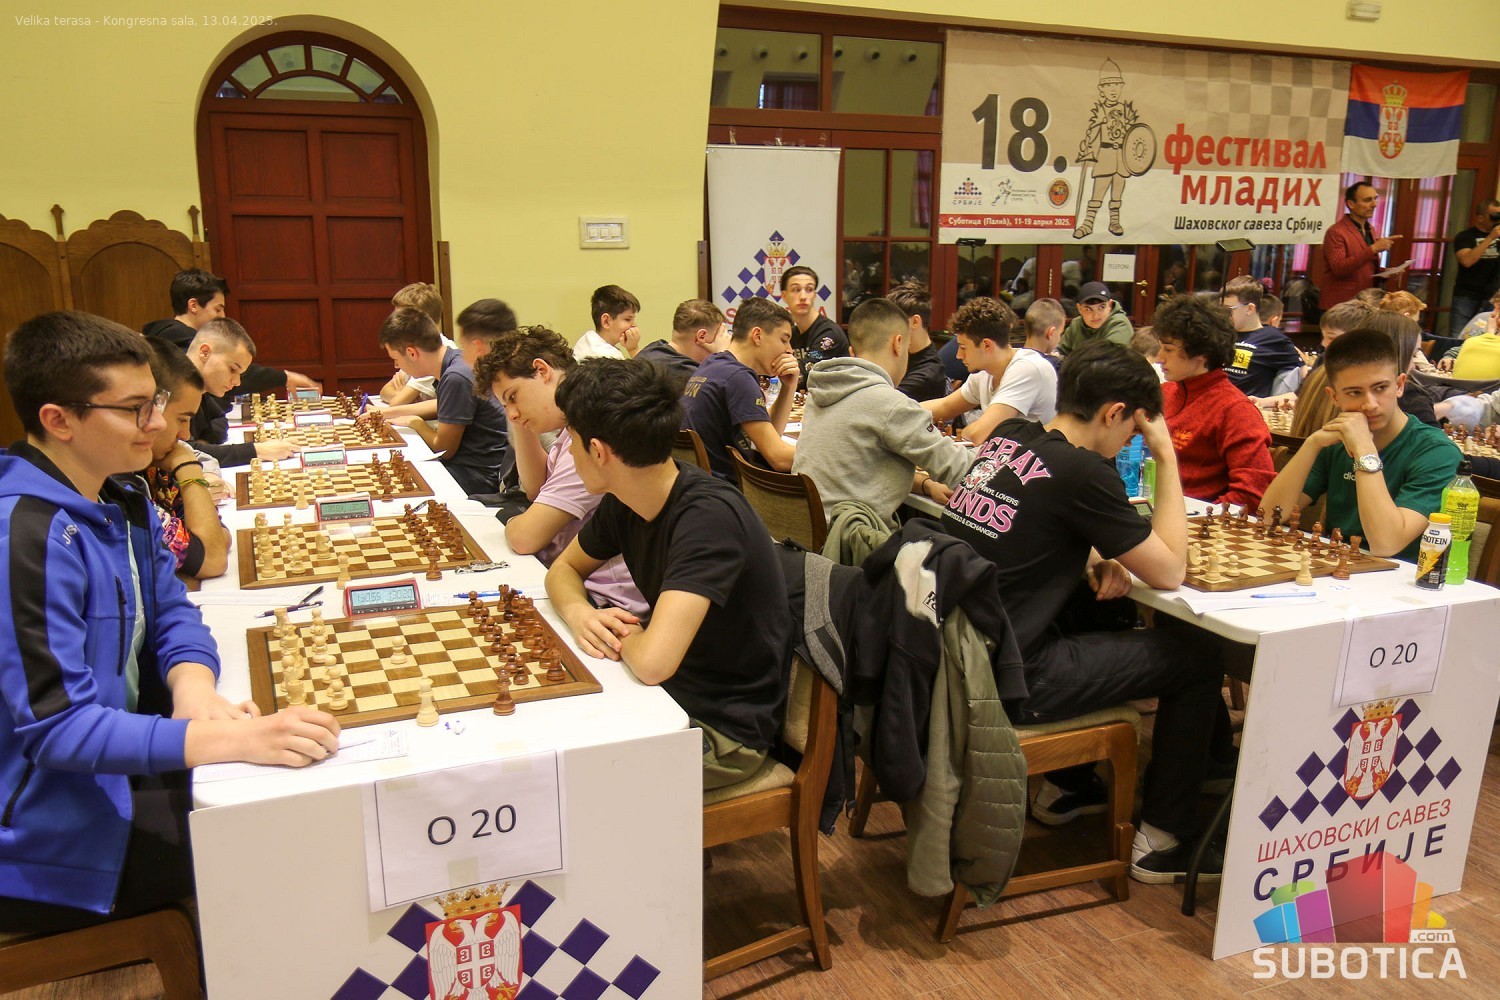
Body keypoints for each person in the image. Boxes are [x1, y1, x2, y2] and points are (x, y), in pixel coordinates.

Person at [0, 311, 339, 932]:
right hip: (47, 842)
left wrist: (194, 690)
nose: (157, 425)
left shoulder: (119, 497)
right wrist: (232, 740)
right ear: (59, 420)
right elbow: (59, 731)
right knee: (290, 847)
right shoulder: (25, 536)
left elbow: (174, 612)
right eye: (135, 409)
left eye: (154, 402)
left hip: (116, 775)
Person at [940, 339, 1235, 883]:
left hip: (955, 659)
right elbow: (1170, 570)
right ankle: (1163, 840)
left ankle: (1069, 786)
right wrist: (1166, 457)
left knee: (1098, 609)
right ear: (1115, 413)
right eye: (1133, 431)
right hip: (1010, 679)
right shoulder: (1084, 472)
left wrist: (1095, 555)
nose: (1130, 442)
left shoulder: (1010, 436)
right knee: (1196, 655)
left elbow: (1032, 523)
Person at [545, 359, 791, 790]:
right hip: (663, 696)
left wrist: (618, 633)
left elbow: (653, 663)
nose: (569, 452)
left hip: (722, 733)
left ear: (598, 451)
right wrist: (582, 615)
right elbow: (562, 569)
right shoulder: (628, 497)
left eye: (572, 441)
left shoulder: (708, 519)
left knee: (564, 782)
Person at [474, 327, 646, 616]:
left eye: (513, 396)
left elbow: (526, 537)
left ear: (542, 371)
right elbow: (536, 488)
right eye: (504, 405)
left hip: (603, 598)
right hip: (575, 579)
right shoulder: (571, 430)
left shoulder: (589, 437)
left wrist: (516, 521)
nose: (511, 413)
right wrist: (519, 419)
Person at [1261, 328, 1460, 561]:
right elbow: (1268, 516)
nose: (1370, 404)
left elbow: (1386, 545)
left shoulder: (1437, 452)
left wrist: (1365, 450)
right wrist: (1312, 444)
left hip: (1400, 576)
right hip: (1336, 566)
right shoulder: (1333, 441)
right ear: (1334, 397)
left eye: (1380, 388)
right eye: (1355, 392)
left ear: (1399, 385)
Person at [793, 298, 974, 526]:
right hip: (854, 540)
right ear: (898, 344)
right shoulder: (891, 405)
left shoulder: (820, 393)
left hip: (806, 534)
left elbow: (859, 472)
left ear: (852, 352)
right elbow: (963, 471)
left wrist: (925, 484)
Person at [1154, 296, 1275, 510]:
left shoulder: (1235, 410)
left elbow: (1252, 493)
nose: (1159, 357)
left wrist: (1198, 516)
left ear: (1203, 353)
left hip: (1200, 519)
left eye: (1169, 349)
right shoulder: (1163, 393)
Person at [379, 307, 512, 496]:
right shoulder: (455, 360)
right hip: (474, 467)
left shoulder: (455, 376)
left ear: (412, 353)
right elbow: (444, 407)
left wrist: (416, 423)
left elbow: (443, 449)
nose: (396, 366)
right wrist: (388, 413)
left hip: (476, 476)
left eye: (396, 359)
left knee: (392, 483)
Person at [137, 338, 230, 579]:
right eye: (182, 419)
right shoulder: (123, 486)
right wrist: (188, 466)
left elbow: (219, 537)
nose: (186, 434)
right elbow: (212, 559)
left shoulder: (156, 466)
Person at [143, 268, 319, 396]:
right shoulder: (177, 339)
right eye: (218, 309)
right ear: (193, 305)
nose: (222, 316)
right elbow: (229, 374)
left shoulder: (165, 334)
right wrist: (283, 377)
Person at [681, 297, 799, 480]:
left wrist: (788, 387)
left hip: (697, 484)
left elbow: (770, 437)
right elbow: (778, 458)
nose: (789, 350)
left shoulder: (714, 364)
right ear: (757, 335)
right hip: (723, 488)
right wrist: (835, 454)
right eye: (784, 340)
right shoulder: (737, 377)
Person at [922, 297, 1057, 444]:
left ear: (987, 345)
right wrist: (904, 412)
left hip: (1039, 457)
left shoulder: (1027, 369)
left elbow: (980, 433)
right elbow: (945, 406)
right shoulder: (985, 372)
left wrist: (959, 436)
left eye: (963, 347)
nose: (958, 355)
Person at [184, 318, 300, 469]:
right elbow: (185, 453)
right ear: (204, 352)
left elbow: (219, 419)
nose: (237, 382)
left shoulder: (200, 388)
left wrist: (203, 445)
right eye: (232, 369)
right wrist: (256, 450)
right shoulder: (174, 389)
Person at [378, 283, 468, 409]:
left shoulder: (432, 353)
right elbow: (385, 391)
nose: (395, 322)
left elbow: (397, 402)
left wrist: (405, 399)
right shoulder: (411, 348)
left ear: (420, 320)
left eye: (401, 318)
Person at [1320, 182, 1401, 308]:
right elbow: (1339, 269)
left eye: (1375, 198)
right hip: (1341, 304)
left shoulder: (1370, 229)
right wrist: (1373, 248)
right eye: (1367, 200)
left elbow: (1364, 266)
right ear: (1351, 204)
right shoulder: (1336, 232)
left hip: (1365, 301)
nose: (1374, 204)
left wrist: (1386, 272)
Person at [1221, 276, 1302, 397]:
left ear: (1250, 309)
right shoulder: (1222, 334)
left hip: (1245, 403)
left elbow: (1306, 374)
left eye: (1228, 309)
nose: (1222, 314)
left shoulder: (1273, 338)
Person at [635, 299, 728, 393]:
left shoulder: (650, 350)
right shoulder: (692, 377)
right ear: (701, 336)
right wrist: (723, 354)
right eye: (720, 336)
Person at [781, 265, 849, 375]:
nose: (803, 296)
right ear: (784, 296)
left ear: (814, 295)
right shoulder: (792, 334)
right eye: (796, 290)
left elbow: (806, 372)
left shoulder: (829, 333)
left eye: (809, 290)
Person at [886, 281, 948, 402]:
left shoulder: (928, 374)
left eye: (893, 321)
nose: (888, 327)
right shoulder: (900, 352)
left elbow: (883, 402)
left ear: (915, 321)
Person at [1448, 200, 1500, 335]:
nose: (1497, 220)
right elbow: (1467, 261)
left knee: (1489, 335)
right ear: (1480, 218)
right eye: (1494, 216)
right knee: (1458, 335)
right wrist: (1490, 238)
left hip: (1493, 295)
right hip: (1467, 294)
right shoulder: (1465, 237)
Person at [1057, 282, 1134, 356]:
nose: (1096, 315)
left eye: (1101, 307)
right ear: (1079, 308)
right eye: (1088, 309)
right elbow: (1059, 352)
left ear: (1110, 305)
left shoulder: (1120, 323)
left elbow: (1108, 359)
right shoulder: (1076, 324)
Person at [573, 285, 641, 360]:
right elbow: (645, 368)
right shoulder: (609, 358)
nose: (634, 325)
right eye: (627, 319)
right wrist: (633, 349)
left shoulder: (586, 339)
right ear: (606, 321)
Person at [1023, 298, 1066, 370]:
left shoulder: (1012, 359)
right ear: (1051, 333)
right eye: (1060, 334)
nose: (1059, 340)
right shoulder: (1054, 365)